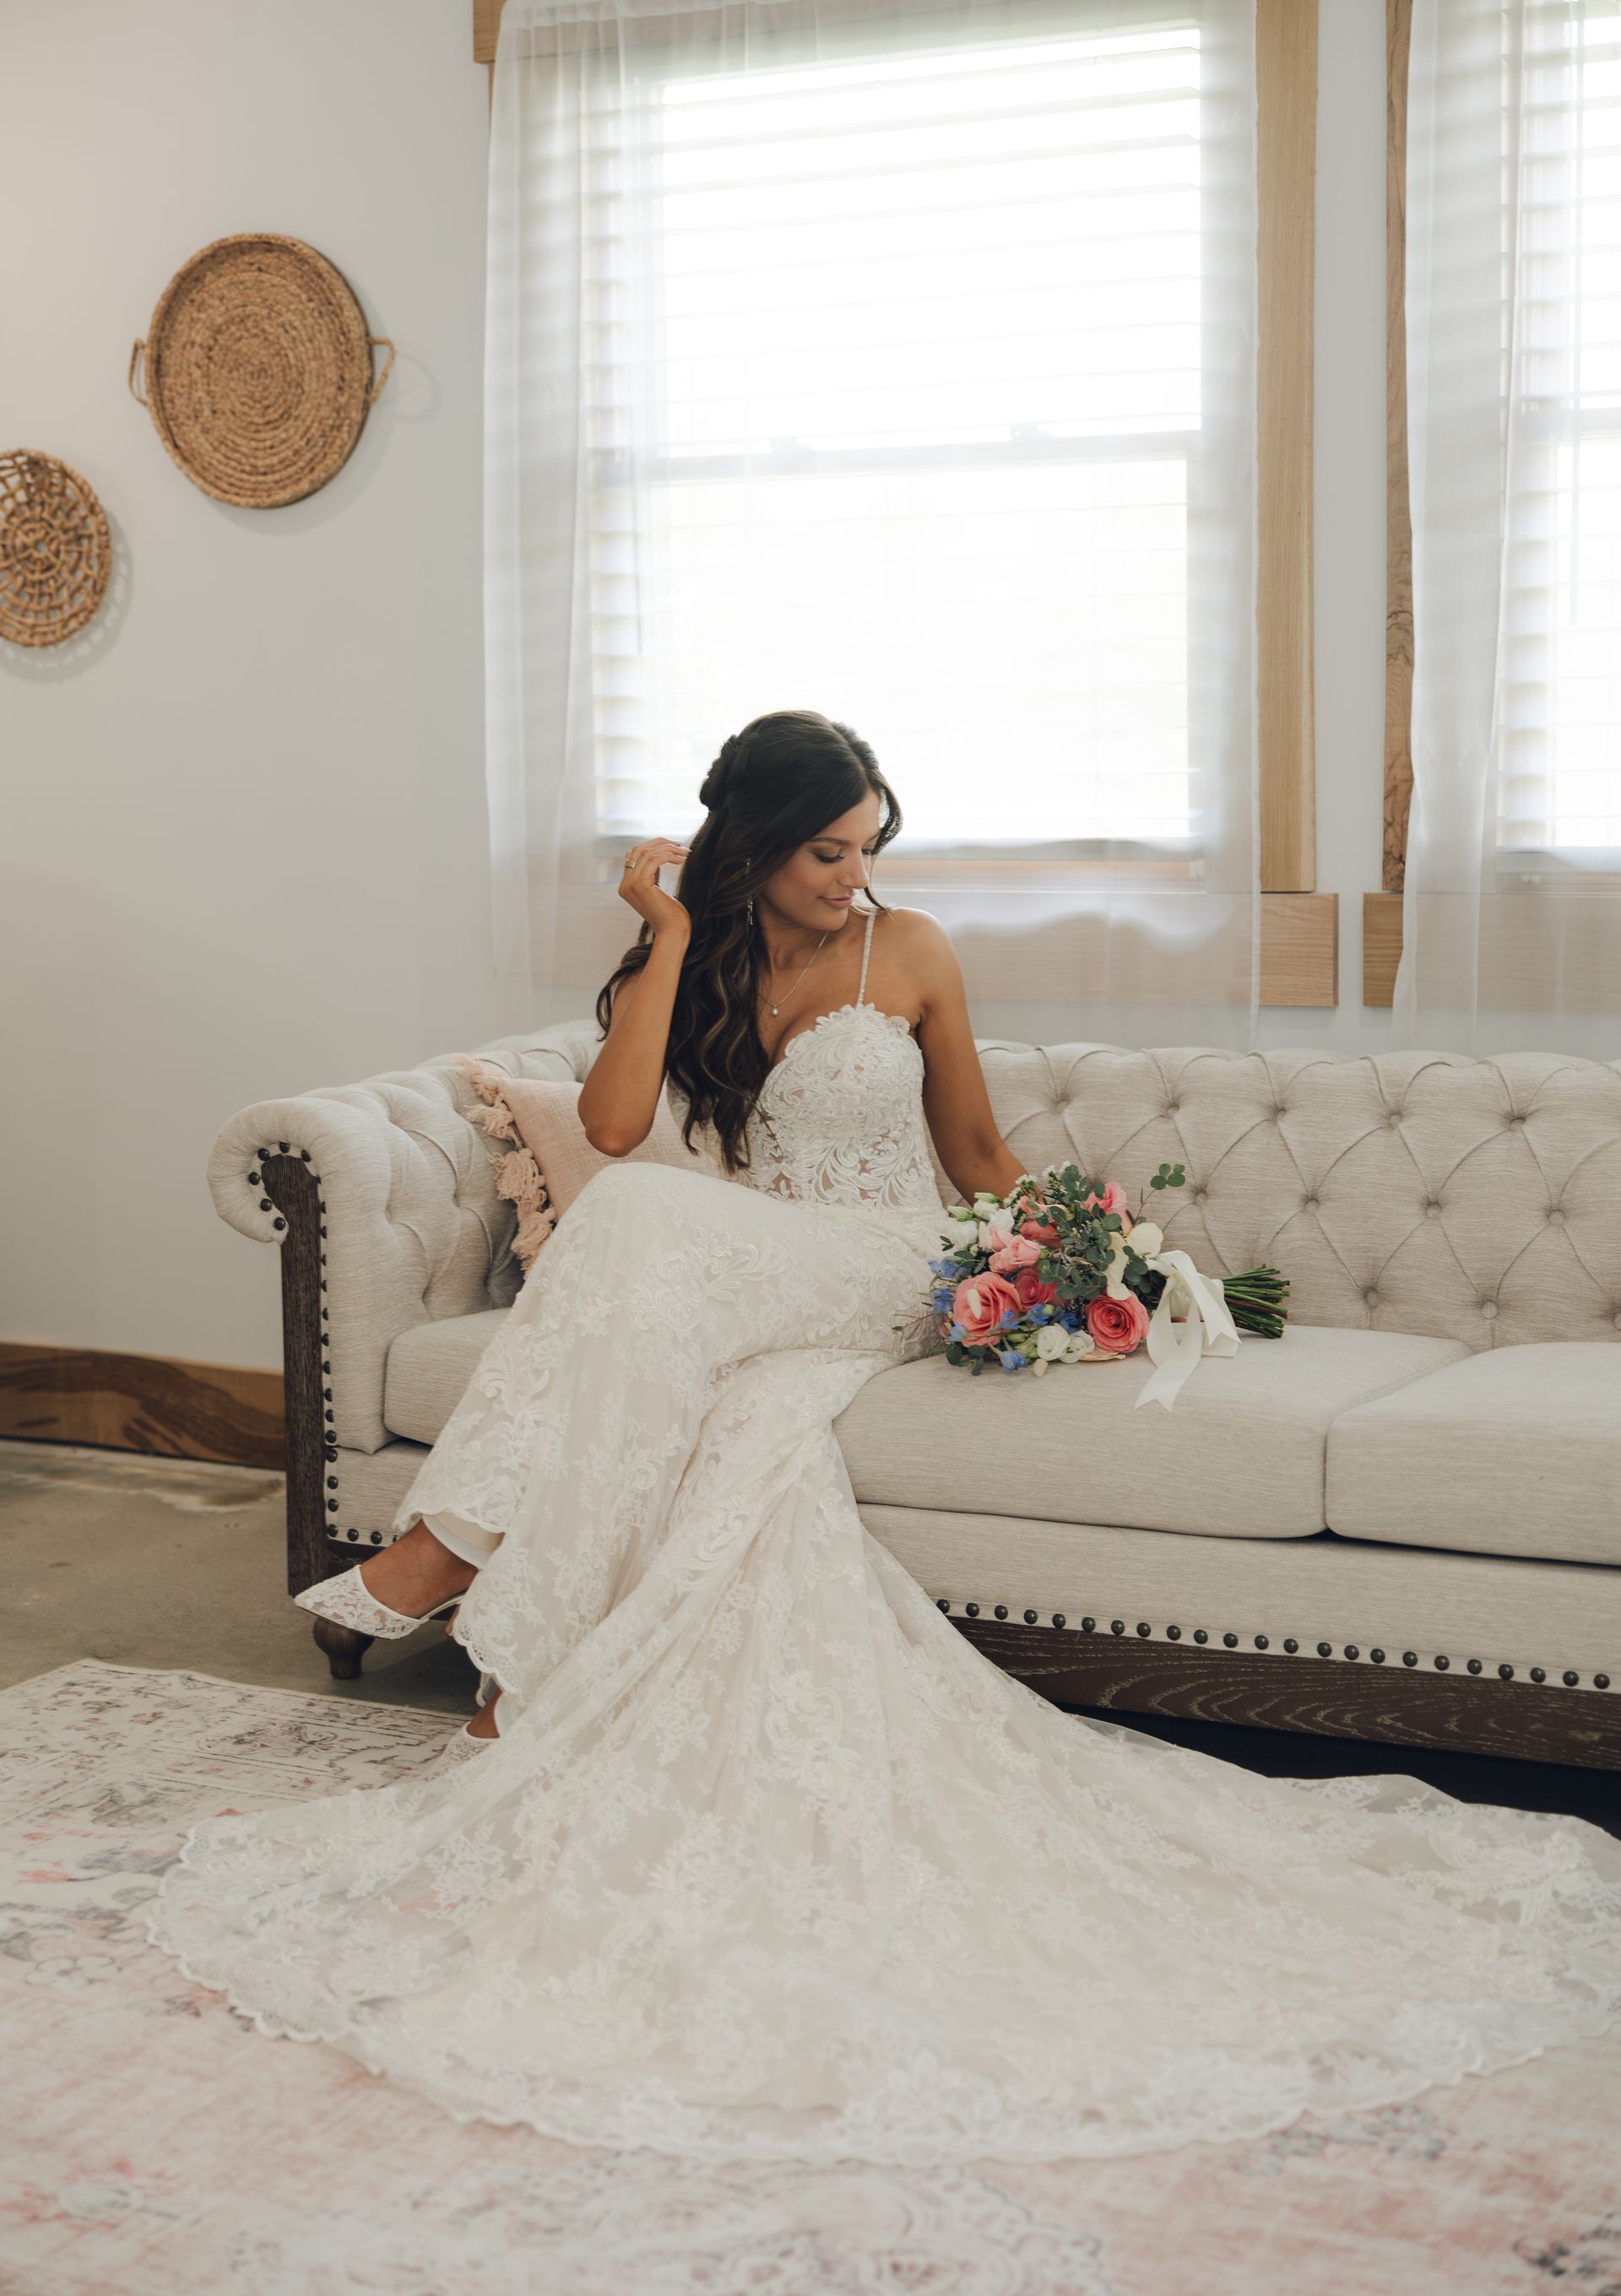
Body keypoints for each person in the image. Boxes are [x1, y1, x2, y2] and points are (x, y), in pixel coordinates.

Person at [149, 709, 1621, 2167]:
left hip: (888, 1266)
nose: (851, 878)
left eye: (866, 849)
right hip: (748, 1272)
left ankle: (449, 1548)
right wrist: (665, 935)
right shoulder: (699, 949)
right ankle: (524, 1670)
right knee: (699, 1345)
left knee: (650, 1226)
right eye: (824, 853)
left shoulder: (908, 952)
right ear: (752, 843)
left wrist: (1088, 1253)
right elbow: (605, 1123)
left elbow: (974, 1154)